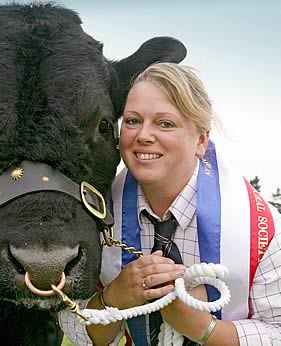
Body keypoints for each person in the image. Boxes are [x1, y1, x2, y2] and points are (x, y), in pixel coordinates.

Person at [58, 62, 281, 345]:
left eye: (165, 123)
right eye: (132, 120)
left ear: (201, 141)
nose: (144, 135)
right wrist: (113, 298)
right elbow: (73, 328)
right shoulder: (94, 216)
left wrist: (203, 328)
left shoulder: (264, 231)